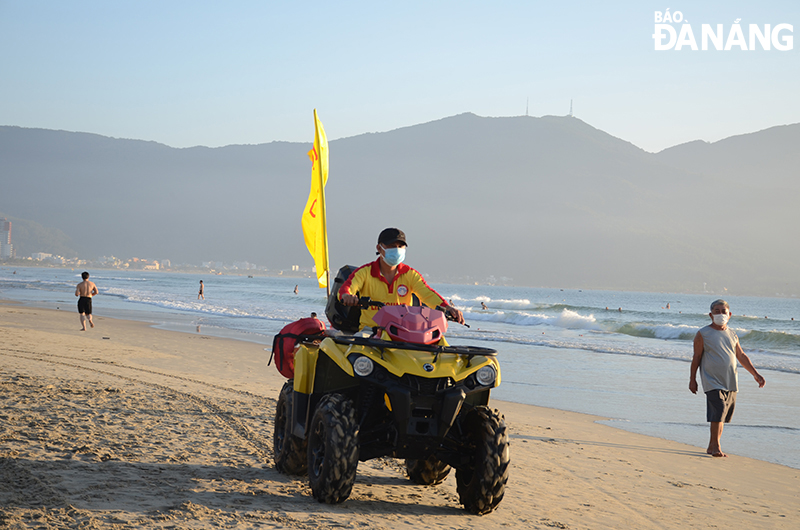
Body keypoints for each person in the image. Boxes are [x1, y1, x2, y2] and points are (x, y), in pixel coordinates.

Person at [339, 227, 464, 329]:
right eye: (392, 245)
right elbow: (347, 288)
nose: (397, 250)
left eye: (401, 246)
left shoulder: (410, 274)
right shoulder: (364, 272)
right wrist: (347, 296)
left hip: (403, 332)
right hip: (370, 331)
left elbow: (427, 294)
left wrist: (448, 308)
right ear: (379, 248)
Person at [689, 299, 766, 458]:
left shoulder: (732, 334)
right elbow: (696, 357)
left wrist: (756, 374)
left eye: (723, 311)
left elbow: (741, 356)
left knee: (722, 415)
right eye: (716, 311)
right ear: (710, 315)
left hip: (730, 380)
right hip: (711, 380)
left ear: (729, 315)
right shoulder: (703, 334)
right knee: (718, 411)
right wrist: (692, 379)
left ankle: (711, 446)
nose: (720, 314)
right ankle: (717, 447)